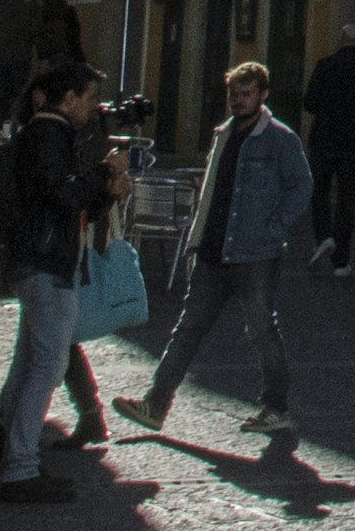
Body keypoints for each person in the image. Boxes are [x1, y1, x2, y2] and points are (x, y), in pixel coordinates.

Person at [133, 62, 315, 440]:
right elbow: (211, 191)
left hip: (255, 253)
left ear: (262, 96)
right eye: (234, 93)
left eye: (246, 94)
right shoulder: (223, 134)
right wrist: (196, 240)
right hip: (214, 251)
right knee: (187, 329)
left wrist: (274, 227)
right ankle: (155, 403)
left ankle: (276, 407)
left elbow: (302, 186)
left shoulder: (279, 139)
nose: (238, 101)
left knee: (263, 330)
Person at [0, 64, 111, 503]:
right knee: (48, 366)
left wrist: (98, 188)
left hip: (33, 257)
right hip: (47, 259)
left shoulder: (39, 134)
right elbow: (65, 194)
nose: (94, 107)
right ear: (68, 98)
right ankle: (21, 468)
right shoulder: (51, 136)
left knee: (30, 357)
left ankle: (5, 443)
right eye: (89, 97)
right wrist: (102, 179)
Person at [299, 34, 355, 269]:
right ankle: (342, 259)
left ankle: (324, 236)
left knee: (320, 191)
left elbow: (309, 102)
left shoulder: (325, 66)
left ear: (340, 41)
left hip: (325, 139)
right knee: (347, 198)